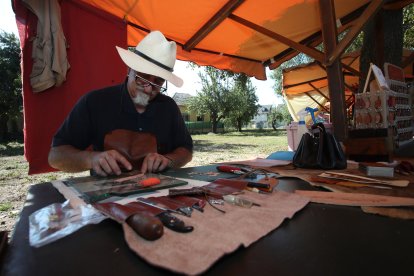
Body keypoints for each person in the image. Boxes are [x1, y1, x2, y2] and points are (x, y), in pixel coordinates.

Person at [48, 31, 193, 176]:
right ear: (129, 69)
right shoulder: (94, 102)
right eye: (142, 76)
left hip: (157, 191)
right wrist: (91, 159)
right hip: (107, 196)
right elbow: (56, 156)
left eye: (159, 81)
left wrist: (169, 160)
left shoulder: (169, 107)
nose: (149, 88)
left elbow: (186, 150)